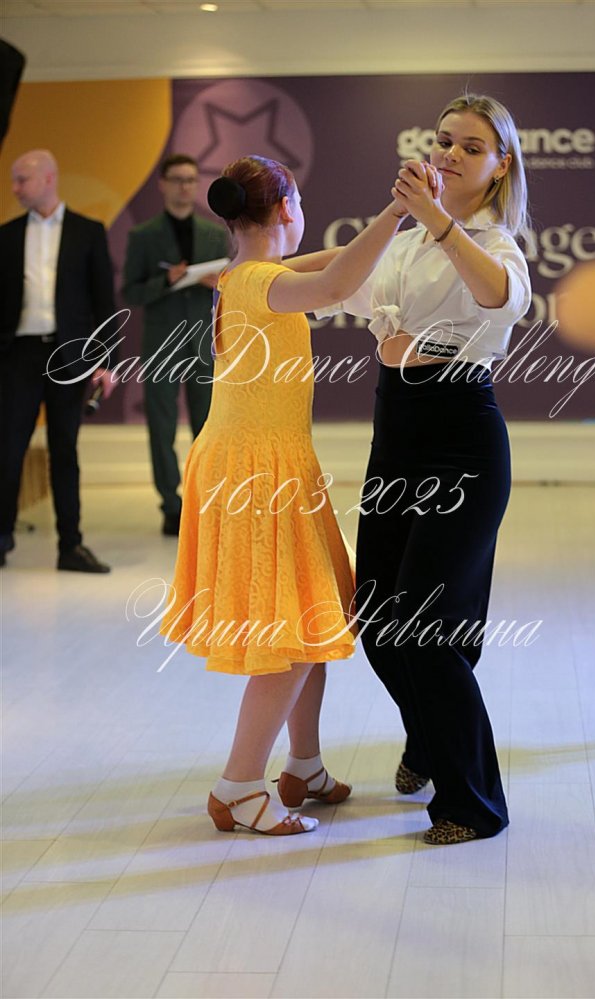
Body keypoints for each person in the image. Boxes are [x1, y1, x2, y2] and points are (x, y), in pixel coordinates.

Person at [160, 155, 408, 836]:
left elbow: (326, 263)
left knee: (309, 622)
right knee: (290, 635)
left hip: (261, 462)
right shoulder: (264, 282)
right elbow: (337, 281)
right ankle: (239, 787)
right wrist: (396, 212)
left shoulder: (244, 274)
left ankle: (303, 766)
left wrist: (405, 233)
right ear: (285, 208)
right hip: (257, 473)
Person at [322, 94, 532, 844]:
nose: (450, 154)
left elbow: (501, 297)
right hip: (396, 438)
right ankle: (429, 738)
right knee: (378, 618)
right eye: (445, 140)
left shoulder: (495, 244)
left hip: (461, 443)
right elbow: (334, 275)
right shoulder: (407, 241)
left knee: (426, 627)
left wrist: (436, 218)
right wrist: (251, 272)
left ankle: (473, 802)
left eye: (471, 147)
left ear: (500, 166)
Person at [0, 149, 116, 572]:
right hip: (18, 355)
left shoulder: (88, 232)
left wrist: (107, 361)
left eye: (22, 179)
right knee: (7, 450)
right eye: (14, 179)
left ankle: (71, 546)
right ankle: (1, 538)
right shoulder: (7, 235)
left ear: (48, 178)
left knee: (64, 450)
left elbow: (104, 301)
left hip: (69, 356)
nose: (15, 187)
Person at [122, 154, 232, 536]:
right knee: (162, 426)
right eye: (178, 179)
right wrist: (166, 281)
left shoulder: (214, 233)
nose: (185, 186)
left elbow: (232, 286)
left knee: (209, 426)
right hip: (162, 342)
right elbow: (130, 292)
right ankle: (171, 504)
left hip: (203, 340)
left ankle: (207, 500)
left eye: (190, 179)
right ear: (163, 184)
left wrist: (218, 283)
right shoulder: (143, 235)